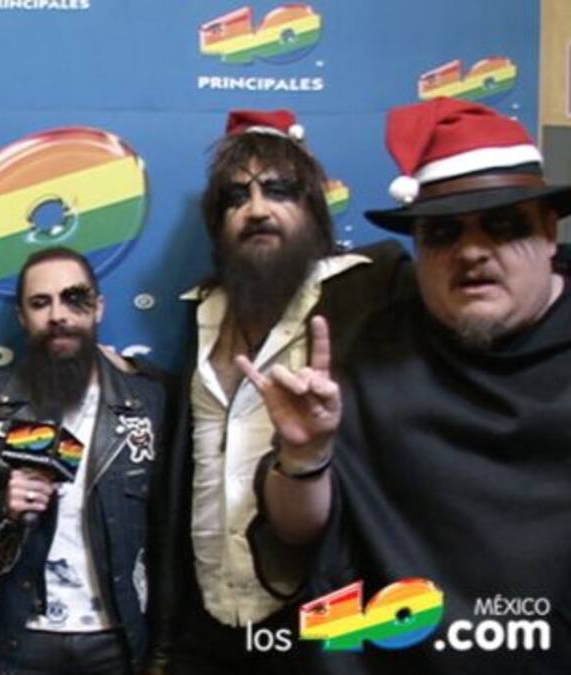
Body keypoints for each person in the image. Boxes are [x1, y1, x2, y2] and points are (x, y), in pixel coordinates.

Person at [245, 98, 571, 673]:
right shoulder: (370, 352)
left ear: (548, 233)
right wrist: (304, 457)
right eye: (443, 232)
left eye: (502, 226)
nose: (472, 252)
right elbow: (296, 533)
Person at [145, 109, 411, 673]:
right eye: (236, 197)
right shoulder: (200, 311)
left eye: (278, 190)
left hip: (326, 624)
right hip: (206, 623)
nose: (257, 209)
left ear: (313, 206)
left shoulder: (371, 288)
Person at [0, 247, 165, 674]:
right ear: (23, 317)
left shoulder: (149, 402)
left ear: (98, 308)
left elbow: (170, 533)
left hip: (115, 642)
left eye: (73, 298)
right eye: (41, 303)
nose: (58, 315)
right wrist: (1, 506)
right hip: (14, 639)